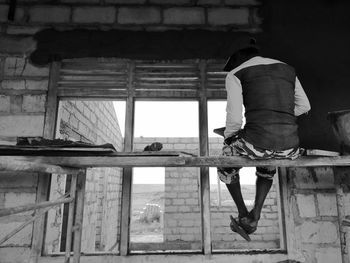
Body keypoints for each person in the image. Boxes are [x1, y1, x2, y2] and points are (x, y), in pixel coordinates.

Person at [218, 37, 311, 241]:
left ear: (237, 59)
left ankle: (243, 213)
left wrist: (229, 138)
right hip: (289, 148)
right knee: (268, 160)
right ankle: (257, 211)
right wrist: (279, 116)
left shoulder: (235, 74)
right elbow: (305, 106)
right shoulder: (288, 69)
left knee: (225, 162)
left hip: (257, 142)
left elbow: (234, 118)